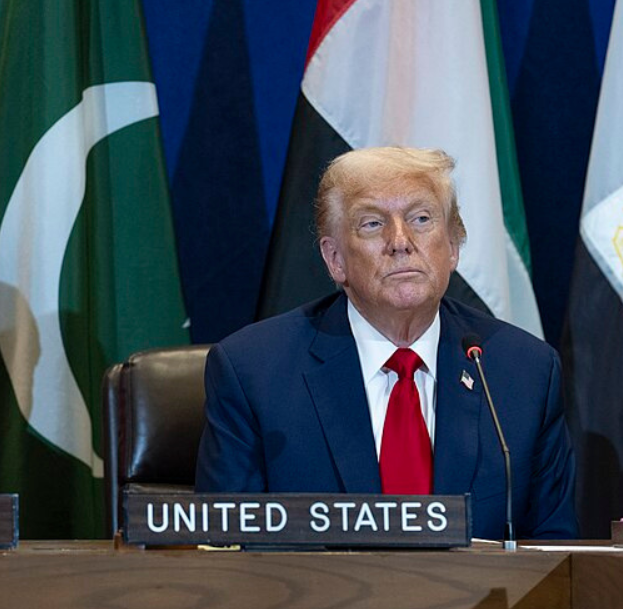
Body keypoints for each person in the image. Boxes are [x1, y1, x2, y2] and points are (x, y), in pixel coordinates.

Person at [194, 147, 575, 539]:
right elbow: (225, 546)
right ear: (335, 259)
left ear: (453, 246)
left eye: (421, 218)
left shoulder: (524, 373)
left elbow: (555, 552)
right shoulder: (254, 373)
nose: (400, 241)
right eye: (373, 223)